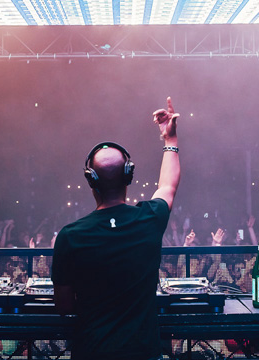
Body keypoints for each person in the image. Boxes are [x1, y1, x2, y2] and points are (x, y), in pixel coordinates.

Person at [52, 97, 181, 360]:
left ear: (91, 181)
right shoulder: (149, 219)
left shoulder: (70, 236)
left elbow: (64, 305)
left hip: (92, 351)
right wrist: (170, 141)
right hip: (142, 353)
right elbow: (168, 186)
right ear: (128, 177)